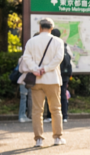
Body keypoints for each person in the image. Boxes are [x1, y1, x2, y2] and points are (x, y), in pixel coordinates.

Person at [21, 18, 66, 147]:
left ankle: (38, 139)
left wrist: (35, 69)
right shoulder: (58, 41)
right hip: (52, 79)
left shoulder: (31, 41)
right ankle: (57, 137)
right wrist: (45, 69)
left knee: (37, 110)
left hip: (37, 80)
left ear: (40, 27)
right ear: (51, 28)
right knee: (55, 109)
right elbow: (59, 58)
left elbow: (26, 57)